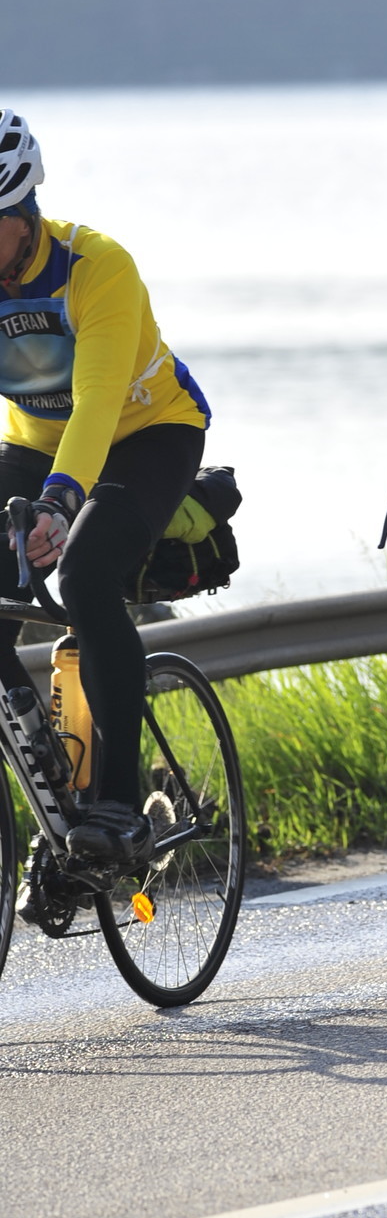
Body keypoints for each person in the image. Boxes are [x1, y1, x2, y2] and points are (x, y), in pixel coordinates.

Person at [0, 109, 210, 871]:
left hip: (148, 432)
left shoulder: (97, 267)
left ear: (25, 214)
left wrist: (60, 504)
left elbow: (95, 401)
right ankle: (48, 788)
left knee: (86, 573)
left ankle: (120, 806)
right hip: (35, 441)